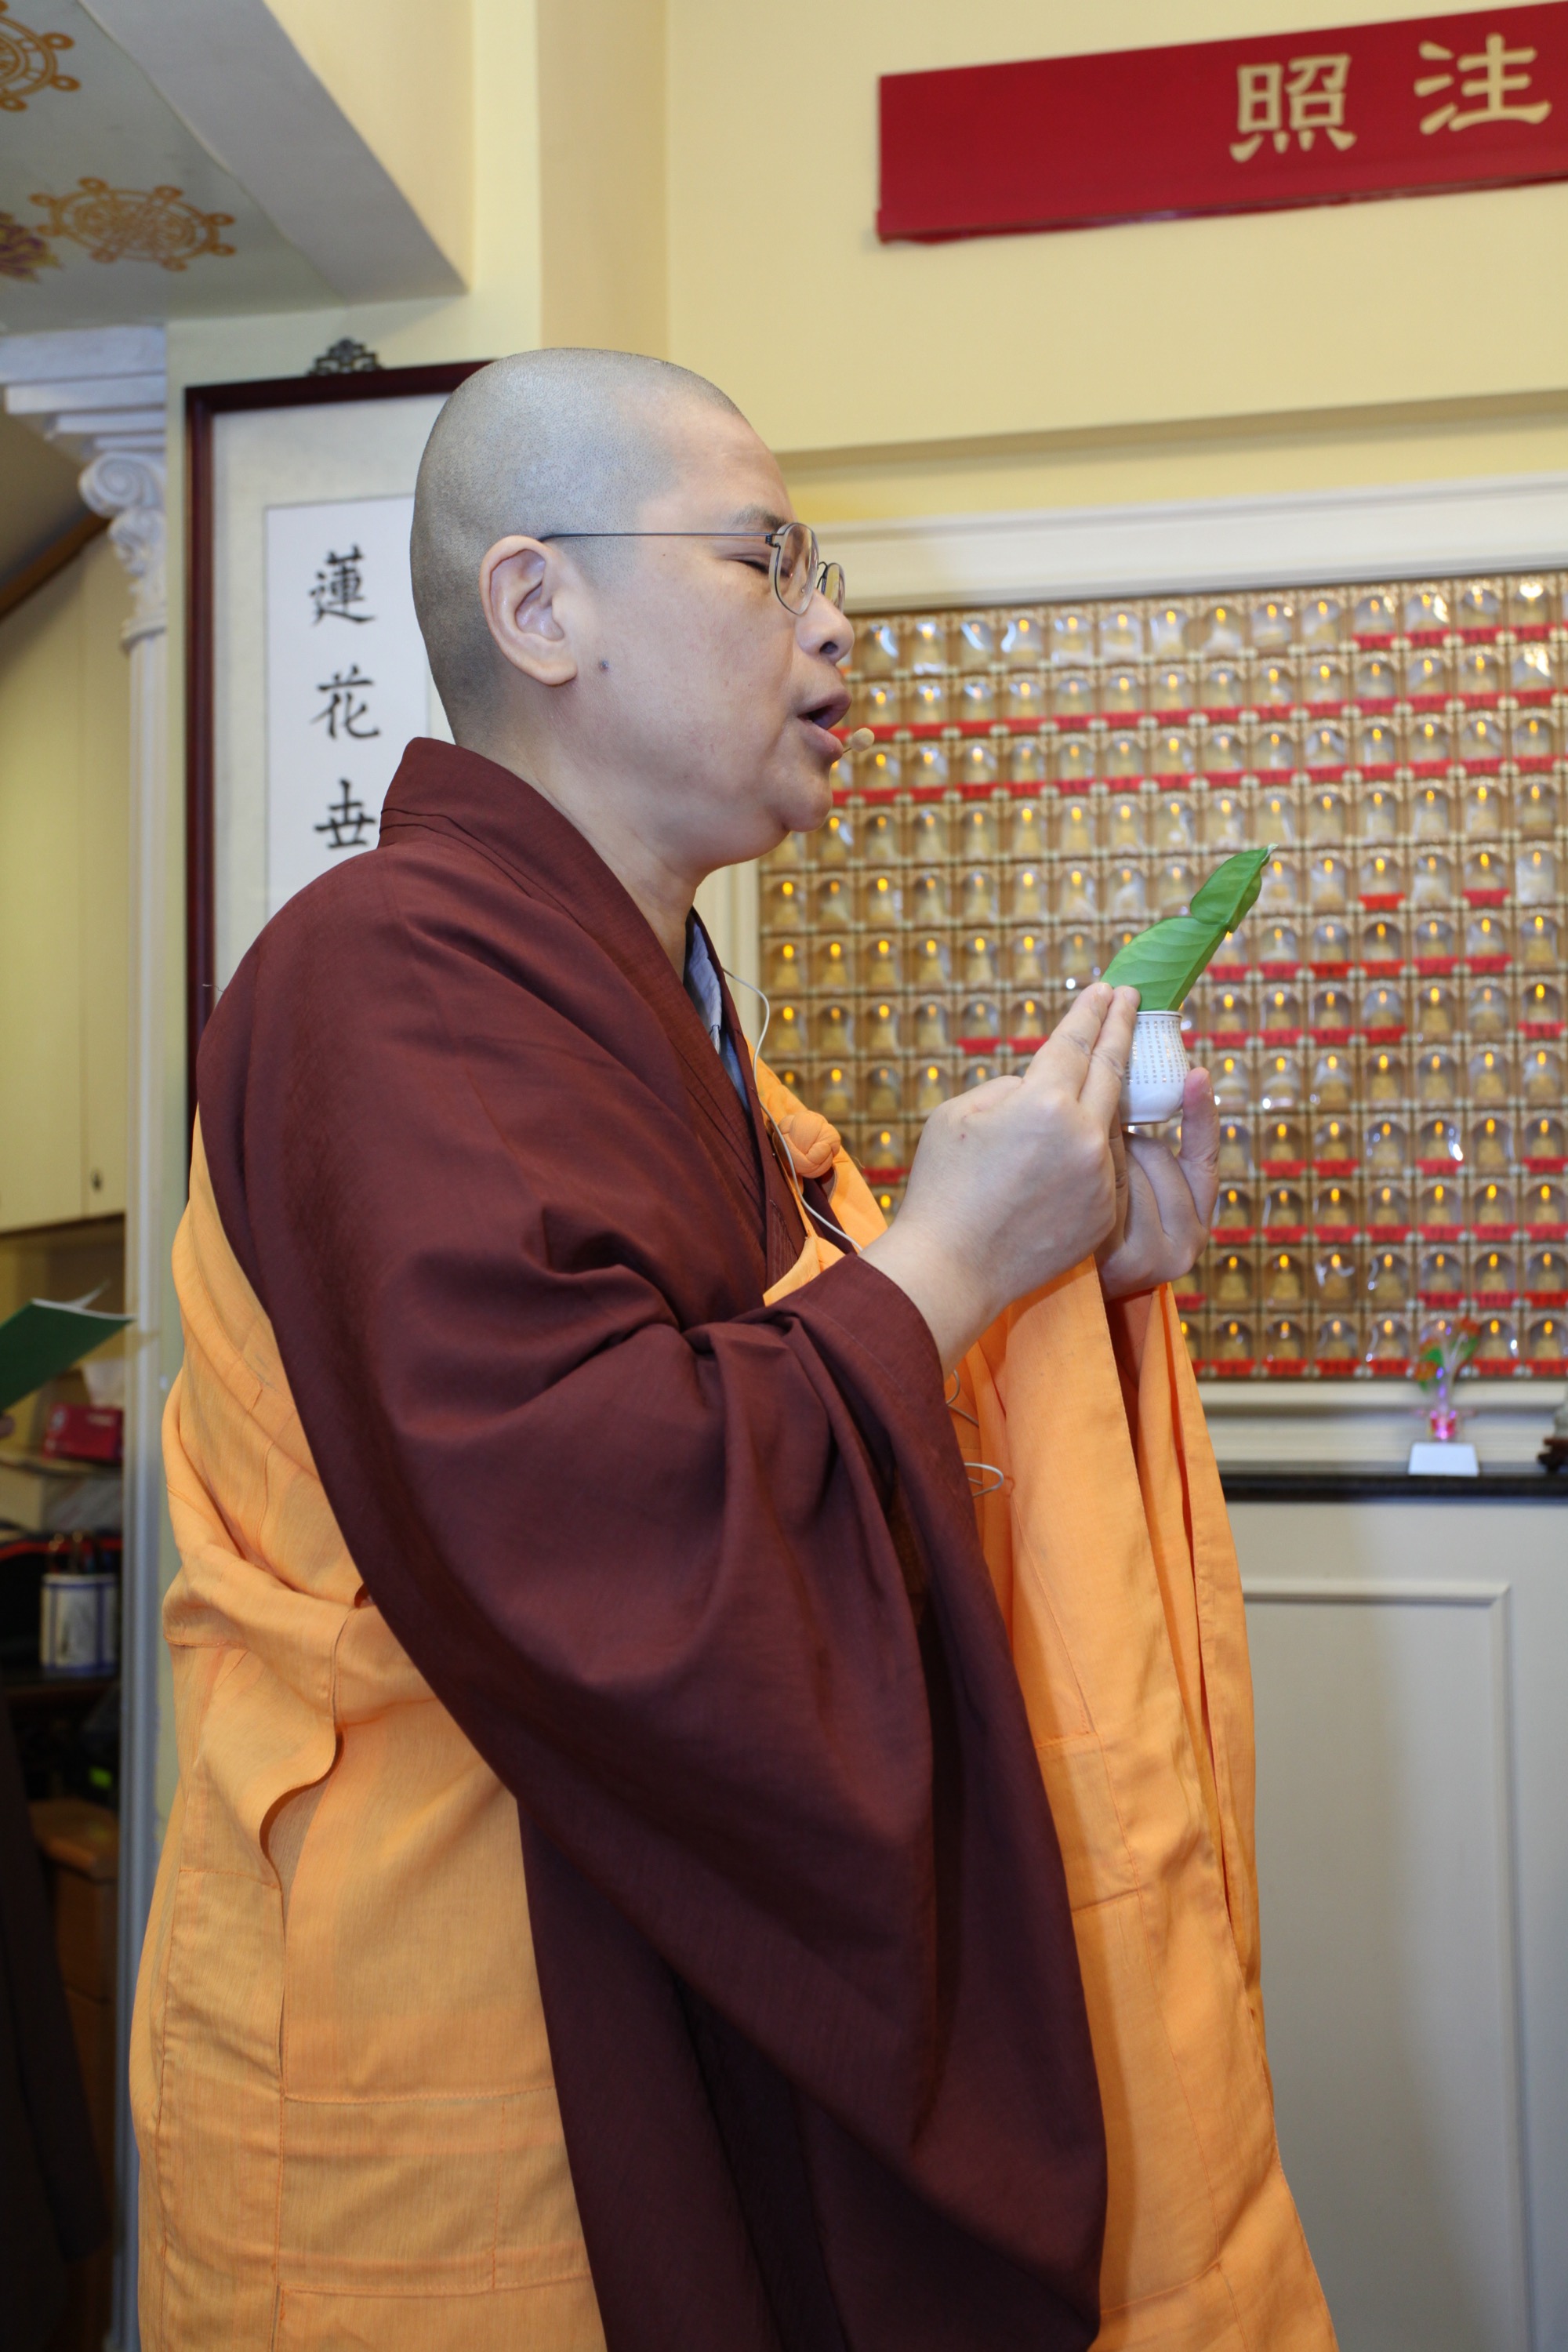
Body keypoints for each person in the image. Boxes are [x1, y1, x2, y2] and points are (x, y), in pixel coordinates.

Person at [132, 350, 1322, 2352]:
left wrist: (1066, 1278)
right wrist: (950, 1257)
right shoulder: (371, 974)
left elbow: (814, 1420)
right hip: (455, 1996)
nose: (835, 623)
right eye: (768, 561)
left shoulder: (683, 1041)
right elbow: (597, 1519)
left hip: (674, 1966)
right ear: (539, 606)